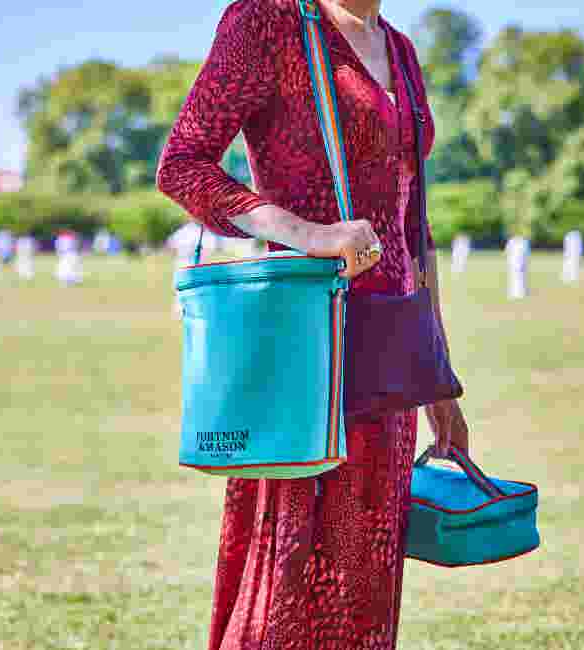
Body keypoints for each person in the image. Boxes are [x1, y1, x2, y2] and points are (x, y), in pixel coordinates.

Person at [156, 0, 469, 648]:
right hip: (305, 340)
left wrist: (437, 372)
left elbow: (414, 223)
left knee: (367, 576)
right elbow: (183, 164)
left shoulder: (402, 50)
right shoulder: (267, 22)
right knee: (292, 570)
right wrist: (308, 234)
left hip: (389, 349)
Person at [505, 234, 530, 299]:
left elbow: (507, 252)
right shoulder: (522, 243)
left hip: (517, 263)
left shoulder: (520, 243)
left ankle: (518, 293)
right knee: (518, 277)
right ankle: (518, 293)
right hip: (517, 262)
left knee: (518, 277)